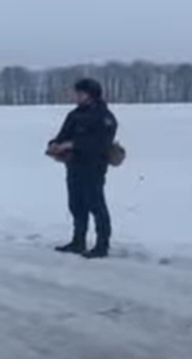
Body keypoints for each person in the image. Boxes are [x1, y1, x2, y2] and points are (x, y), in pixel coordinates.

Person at [46, 78, 118, 259]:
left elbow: (100, 143)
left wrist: (72, 144)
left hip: (93, 166)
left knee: (96, 204)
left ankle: (102, 245)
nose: (76, 96)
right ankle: (78, 241)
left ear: (91, 95)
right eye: (76, 92)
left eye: (80, 93)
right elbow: (62, 135)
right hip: (74, 166)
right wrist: (55, 144)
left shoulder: (104, 117)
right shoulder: (74, 115)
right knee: (76, 205)